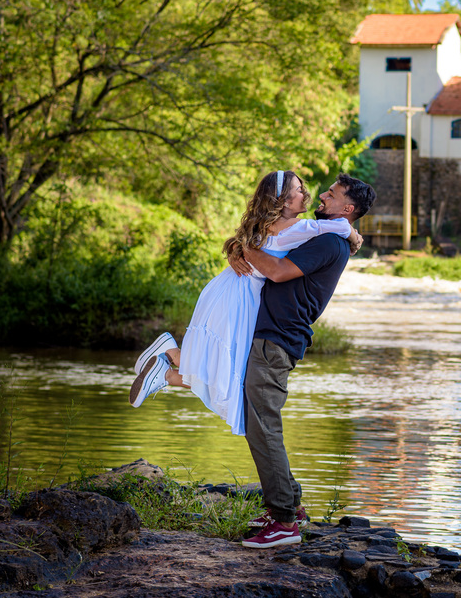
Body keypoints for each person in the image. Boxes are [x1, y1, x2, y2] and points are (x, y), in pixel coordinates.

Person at [128, 170, 363, 438]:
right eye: (299, 190)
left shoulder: (267, 225)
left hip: (229, 289)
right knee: (227, 369)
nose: (308, 194)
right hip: (239, 297)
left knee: (227, 369)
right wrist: (354, 237)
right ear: (284, 201)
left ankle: (168, 366)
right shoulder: (295, 228)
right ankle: (170, 359)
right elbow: (338, 227)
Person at [231, 173, 375, 549]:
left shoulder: (328, 240)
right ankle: (290, 505)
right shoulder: (326, 234)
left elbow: (277, 271)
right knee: (260, 423)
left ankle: (283, 522)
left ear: (347, 209)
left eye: (332, 193)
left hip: (277, 339)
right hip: (271, 336)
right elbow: (276, 244)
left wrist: (244, 251)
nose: (321, 196)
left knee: (263, 427)